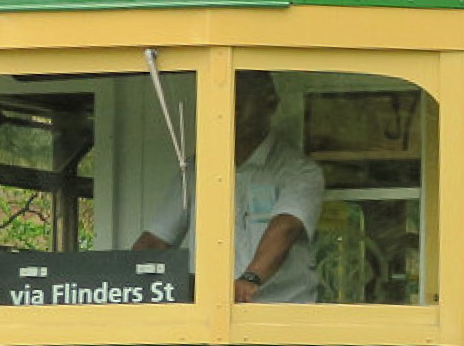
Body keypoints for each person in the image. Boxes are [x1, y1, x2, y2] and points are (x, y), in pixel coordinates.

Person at [133, 71, 323, 303]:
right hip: (210, 310)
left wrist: (249, 280)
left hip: (280, 313)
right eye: (225, 102)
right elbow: (156, 240)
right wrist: (125, 281)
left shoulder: (299, 170)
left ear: (270, 104)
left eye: (241, 100)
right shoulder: (196, 169)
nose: (232, 110)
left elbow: (286, 228)